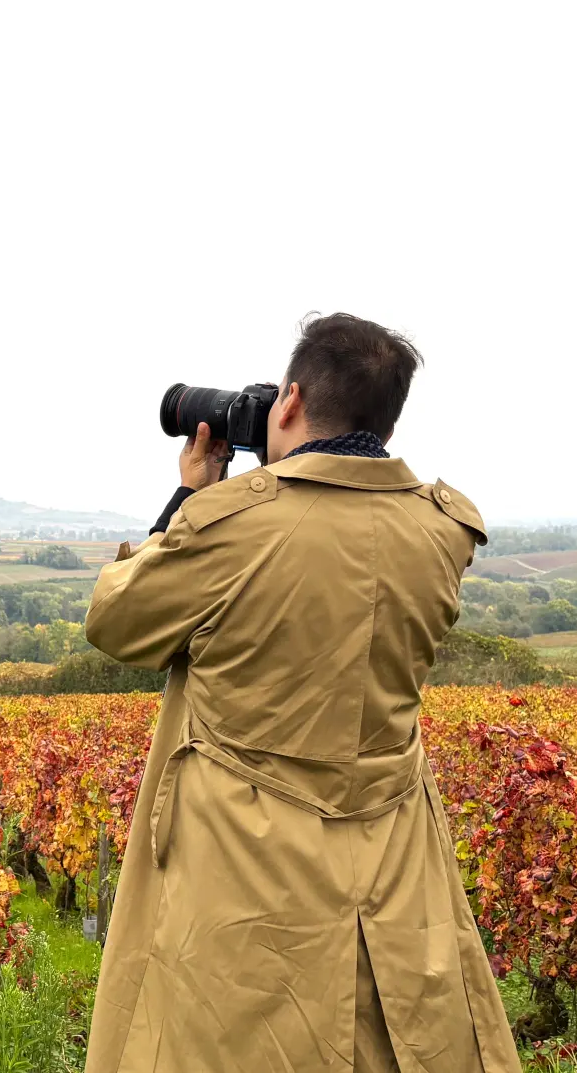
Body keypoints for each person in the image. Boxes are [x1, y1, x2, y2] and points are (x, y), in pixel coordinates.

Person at [82, 314, 520, 1073]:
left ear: (289, 401)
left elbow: (118, 623)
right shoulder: (441, 532)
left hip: (239, 872)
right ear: (387, 421)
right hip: (395, 859)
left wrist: (189, 498)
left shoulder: (234, 526)